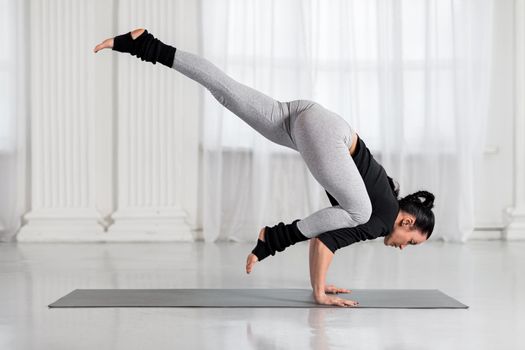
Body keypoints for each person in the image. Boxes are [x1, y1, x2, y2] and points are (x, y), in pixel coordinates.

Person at [94, 29, 436, 308]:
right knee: (358, 211)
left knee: (227, 91)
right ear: (406, 221)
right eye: (411, 241)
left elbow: (324, 241)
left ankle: (146, 45)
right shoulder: (379, 216)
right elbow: (325, 241)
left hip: (307, 120)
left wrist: (320, 287)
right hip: (325, 133)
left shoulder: (377, 203)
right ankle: (274, 236)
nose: (403, 247)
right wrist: (300, 272)